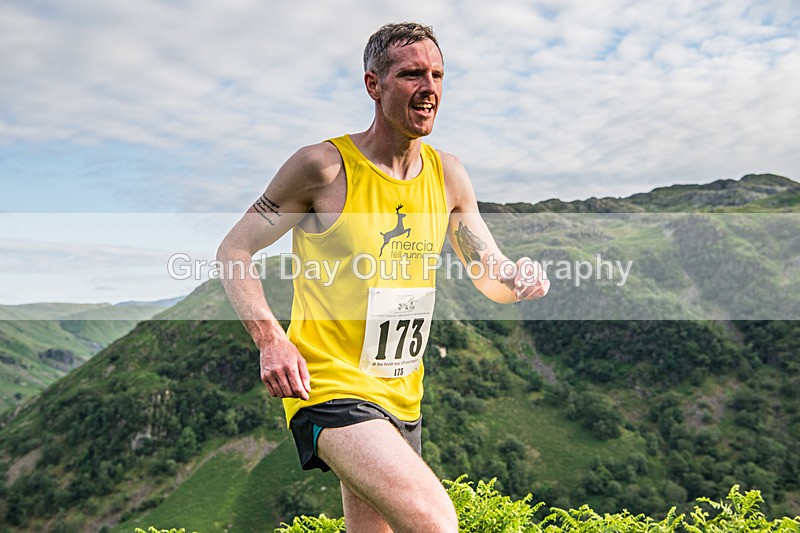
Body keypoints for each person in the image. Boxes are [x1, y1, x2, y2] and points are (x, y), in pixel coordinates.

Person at [217, 22, 549, 533]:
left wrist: (519, 277)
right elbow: (235, 249)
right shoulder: (323, 169)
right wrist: (270, 339)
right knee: (435, 522)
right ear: (374, 84)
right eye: (412, 73)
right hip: (327, 385)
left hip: (402, 392)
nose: (430, 87)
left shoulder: (448, 175)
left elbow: (489, 274)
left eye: (438, 74)